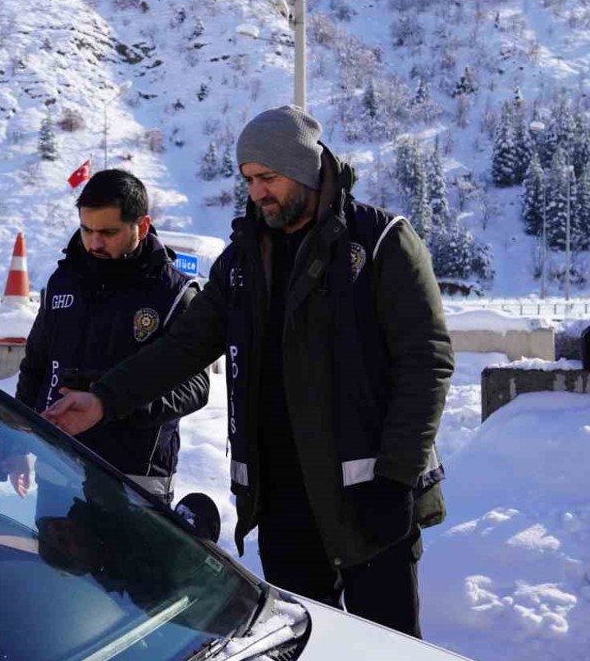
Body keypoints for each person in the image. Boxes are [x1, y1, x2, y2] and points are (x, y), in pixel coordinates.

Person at [43, 106, 453, 638]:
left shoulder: (378, 244)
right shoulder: (241, 261)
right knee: (309, 645)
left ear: (304, 170)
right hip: (282, 506)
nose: (257, 193)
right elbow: (183, 348)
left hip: (369, 499)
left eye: (268, 178)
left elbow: (427, 362)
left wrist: (396, 478)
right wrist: (102, 398)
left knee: (386, 649)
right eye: (248, 180)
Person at [16, 169, 210, 504]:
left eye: (108, 232)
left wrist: (112, 403)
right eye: (86, 229)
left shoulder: (174, 293)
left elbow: (195, 387)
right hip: (58, 463)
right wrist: (18, 440)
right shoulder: (62, 282)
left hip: (133, 478)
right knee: (52, 558)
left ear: (143, 226)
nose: (94, 243)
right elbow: (35, 367)